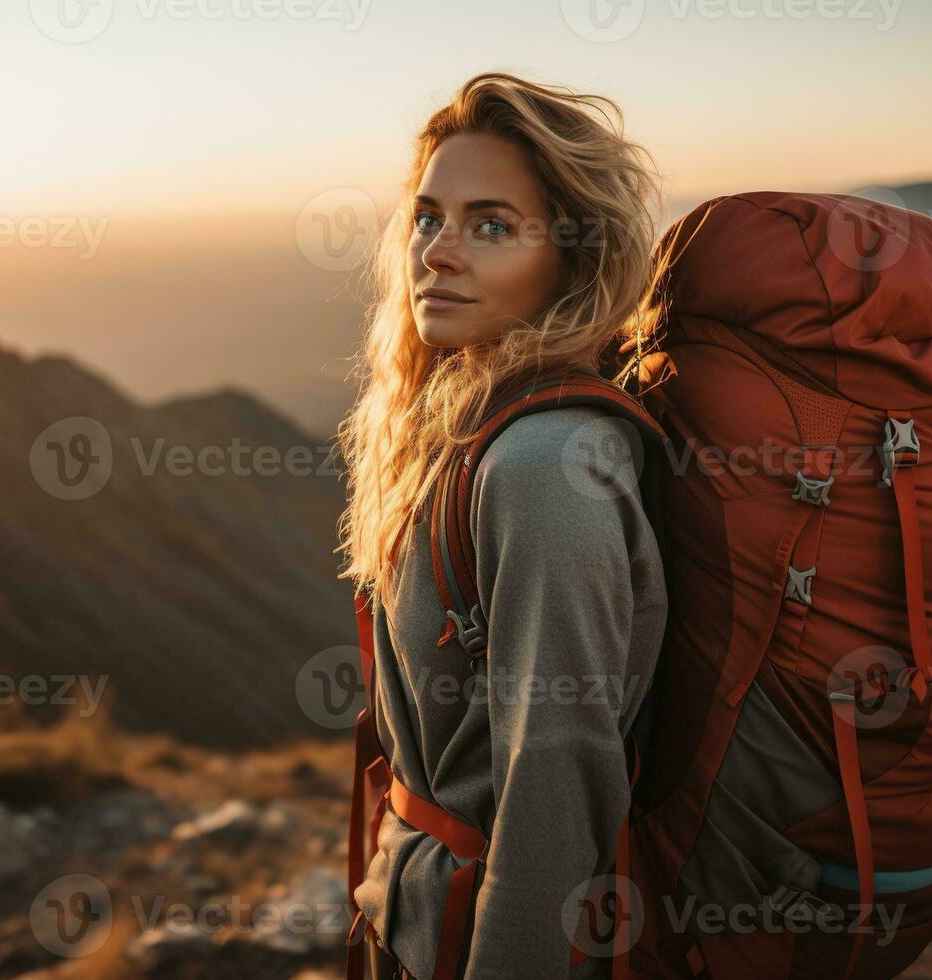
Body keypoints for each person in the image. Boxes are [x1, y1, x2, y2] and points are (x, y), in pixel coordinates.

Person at [336, 71, 669, 980]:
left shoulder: (540, 467)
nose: (438, 252)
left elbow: (555, 786)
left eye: (491, 225)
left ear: (573, 258)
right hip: (416, 910)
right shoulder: (473, 425)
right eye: (428, 216)